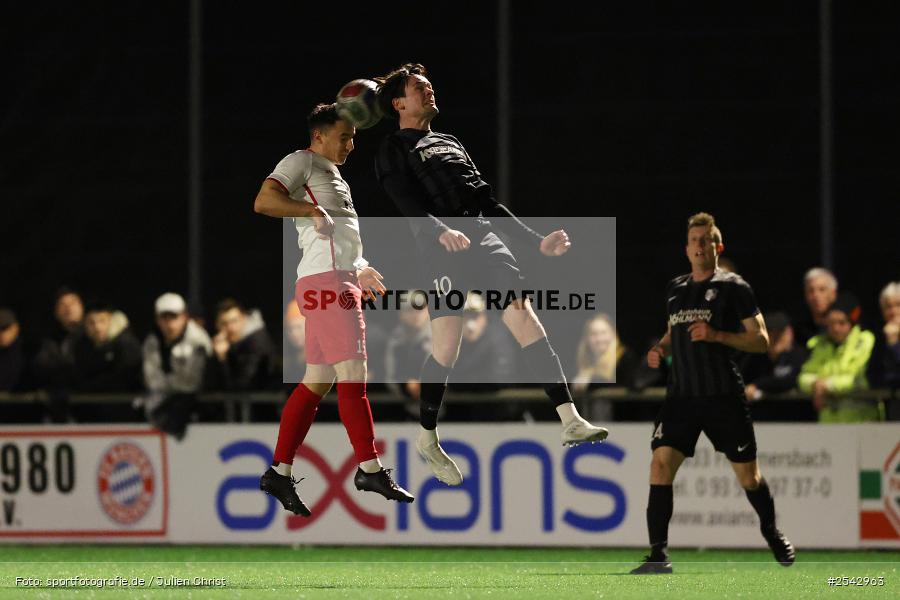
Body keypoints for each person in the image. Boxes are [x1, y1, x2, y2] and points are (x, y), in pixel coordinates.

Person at [374, 63, 608, 486]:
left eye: (429, 84)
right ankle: (428, 437)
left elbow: (488, 202)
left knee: (523, 315)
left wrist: (535, 241)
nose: (429, 90)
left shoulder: (450, 141)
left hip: (482, 238)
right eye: (417, 87)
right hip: (440, 247)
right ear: (398, 103)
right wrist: (440, 230)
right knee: (447, 347)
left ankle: (570, 418)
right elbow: (404, 202)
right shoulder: (393, 147)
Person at [253, 102, 413, 515]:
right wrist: (307, 209)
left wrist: (358, 266)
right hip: (327, 283)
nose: (352, 144)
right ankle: (369, 468)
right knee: (353, 374)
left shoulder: (333, 174)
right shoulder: (301, 161)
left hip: (332, 277)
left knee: (317, 381)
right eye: (344, 137)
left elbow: (334, 236)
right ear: (319, 135)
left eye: (354, 136)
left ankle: (280, 472)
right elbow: (263, 202)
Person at [632, 212, 793, 574]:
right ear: (686, 248)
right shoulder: (676, 288)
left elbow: (762, 340)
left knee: (748, 477)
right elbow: (671, 333)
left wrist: (719, 335)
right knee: (660, 463)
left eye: (707, 240)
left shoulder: (735, 287)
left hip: (722, 395)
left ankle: (770, 530)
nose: (700, 246)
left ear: (718, 246)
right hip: (681, 397)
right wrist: (660, 350)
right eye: (694, 240)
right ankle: (658, 555)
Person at [140, 293, 212, 439]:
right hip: (163, 404)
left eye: (173, 317)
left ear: (184, 317)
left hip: (198, 409)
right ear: (157, 320)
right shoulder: (152, 342)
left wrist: (167, 382)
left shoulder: (197, 340)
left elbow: (191, 383)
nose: (169, 324)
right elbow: (152, 380)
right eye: (163, 318)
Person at [798, 292, 877, 422]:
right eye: (831, 323)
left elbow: (861, 379)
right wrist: (815, 384)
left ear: (851, 322)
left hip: (862, 423)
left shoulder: (865, 340)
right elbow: (803, 377)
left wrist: (828, 385)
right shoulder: (819, 343)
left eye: (841, 322)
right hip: (829, 424)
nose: (836, 328)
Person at [571, 313, 637, 422]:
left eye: (603, 333)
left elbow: (627, 385)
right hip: (587, 423)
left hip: (621, 424)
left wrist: (592, 381)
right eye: (593, 334)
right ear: (587, 338)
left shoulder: (625, 357)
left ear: (613, 334)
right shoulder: (582, 361)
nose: (599, 338)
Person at [72, 302, 142, 393]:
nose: (97, 327)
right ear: (85, 325)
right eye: (91, 322)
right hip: (91, 402)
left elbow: (125, 378)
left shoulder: (126, 344)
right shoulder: (81, 347)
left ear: (111, 321)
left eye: (102, 321)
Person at [740, 311, 807, 402]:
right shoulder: (755, 358)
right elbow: (742, 382)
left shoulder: (801, 355)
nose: (776, 337)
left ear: (790, 332)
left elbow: (790, 381)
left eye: (780, 332)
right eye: (771, 332)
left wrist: (757, 385)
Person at [868, 282, 900, 419]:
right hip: (890, 411)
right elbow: (872, 376)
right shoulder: (880, 338)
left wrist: (894, 345)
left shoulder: (890, 339)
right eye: (888, 307)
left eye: (898, 305)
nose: (893, 311)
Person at [795, 267, 838, 345]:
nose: (816, 296)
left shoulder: (846, 326)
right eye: (811, 291)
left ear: (833, 294)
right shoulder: (798, 332)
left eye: (822, 289)